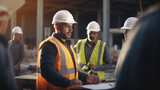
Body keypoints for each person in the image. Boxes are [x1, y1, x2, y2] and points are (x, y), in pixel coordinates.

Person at [36, 10, 99, 90]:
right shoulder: (49, 45)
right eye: (67, 26)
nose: (71, 30)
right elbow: (46, 70)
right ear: (57, 27)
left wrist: (86, 77)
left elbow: (71, 70)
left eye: (71, 26)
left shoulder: (67, 45)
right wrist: (68, 82)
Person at [114, 4, 160, 90]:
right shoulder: (126, 48)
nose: (124, 32)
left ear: (133, 31)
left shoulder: (142, 50)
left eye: (126, 30)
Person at [0, 0, 25, 89]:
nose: (20, 36)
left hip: (15, 69)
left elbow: (22, 56)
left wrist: (17, 65)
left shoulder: (20, 44)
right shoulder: (6, 44)